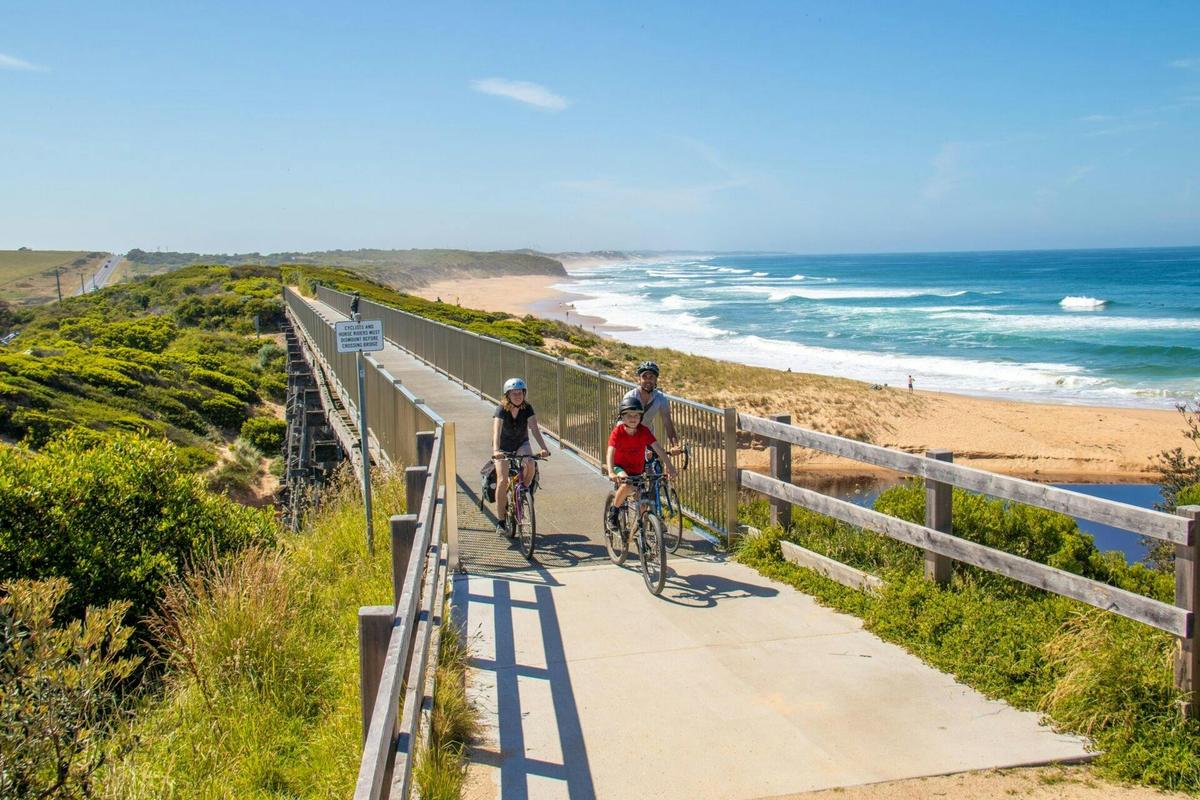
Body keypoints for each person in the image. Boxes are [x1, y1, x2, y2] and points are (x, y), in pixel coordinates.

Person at [605, 397, 677, 533]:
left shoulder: (644, 431)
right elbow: (610, 452)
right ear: (622, 417)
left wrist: (670, 466)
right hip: (620, 467)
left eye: (636, 415)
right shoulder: (618, 432)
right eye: (629, 415)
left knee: (643, 502)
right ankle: (613, 512)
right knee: (627, 484)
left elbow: (658, 449)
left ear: (641, 417)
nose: (633, 418)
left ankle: (640, 533)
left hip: (638, 470)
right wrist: (611, 471)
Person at [492, 377, 550, 534]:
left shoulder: (527, 408)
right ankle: (501, 521)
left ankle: (523, 491)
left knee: (530, 463)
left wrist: (544, 448)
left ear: (524, 394)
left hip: (521, 444)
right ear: (507, 395)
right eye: (514, 393)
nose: (517, 396)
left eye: (520, 393)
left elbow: (534, 429)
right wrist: (496, 451)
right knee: (502, 480)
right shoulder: (501, 410)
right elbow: (496, 431)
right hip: (503, 447)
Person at [622, 361, 679, 448]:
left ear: (656, 380)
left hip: (648, 439)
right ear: (639, 379)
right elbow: (623, 423)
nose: (648, 380)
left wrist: (675, 445)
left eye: (651, 377)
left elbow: (667, 422)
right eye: (644, 377)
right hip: (629, 439)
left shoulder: (660, 398)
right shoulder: (631, 397)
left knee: (655, 461)